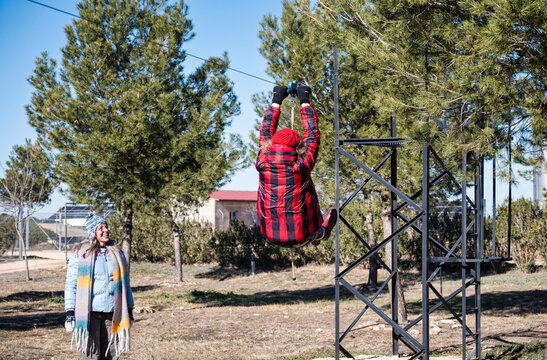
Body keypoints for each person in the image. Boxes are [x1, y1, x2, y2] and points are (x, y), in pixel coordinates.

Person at [256, 85, 337, 248]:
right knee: (317, 231)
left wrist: (276, 101)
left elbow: (265, 132)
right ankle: (322, 233)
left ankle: (318, 232)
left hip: (270, 235)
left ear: (271, 145)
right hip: (303, 236)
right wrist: (305, 101)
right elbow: (312, 135)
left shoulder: (262, 163)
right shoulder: (301, 165)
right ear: (297, 147)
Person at [64, 213, 134, 359]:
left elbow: (125, 283)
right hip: (90, 314)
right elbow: (71, 285)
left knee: (112, 354)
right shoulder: (80, 254)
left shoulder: (117, 253)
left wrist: (129, 309)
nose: (105, 230)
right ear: (93, 233)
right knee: (91, 355)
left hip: (113, 313)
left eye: (106, 227)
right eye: (100, 228)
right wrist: (70, 312)